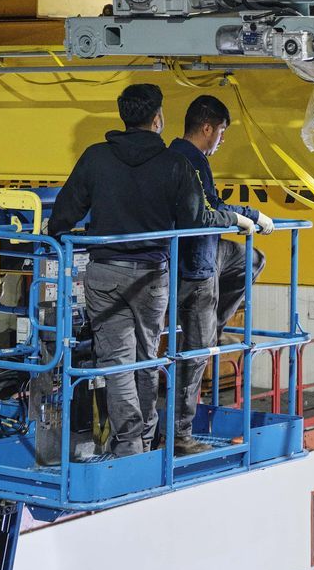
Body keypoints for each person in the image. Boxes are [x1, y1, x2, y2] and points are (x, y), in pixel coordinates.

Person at [48, 83, 256, 457]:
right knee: (148, 360)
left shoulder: (95, 158)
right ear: (157, 119)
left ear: (124, 117)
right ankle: (145, 439)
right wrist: (238, 218)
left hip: (104, 273)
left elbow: (62, 217)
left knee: (115, 363)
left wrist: (69, 239)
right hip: (151, 278)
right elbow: (197, 219)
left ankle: (129, 444)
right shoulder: (174, 164)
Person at [167, 94, 273, 454]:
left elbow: (211, 206)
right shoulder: (188, 161)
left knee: (251, 259)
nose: (222, 140)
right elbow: (203, 214)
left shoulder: (187, 158)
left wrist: (248, 215)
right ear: (207, 127)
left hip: (209, 251)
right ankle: (180, 435)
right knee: (195, 353)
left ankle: (214, 325)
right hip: (194, 264)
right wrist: (243, 217)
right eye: (222, 132)